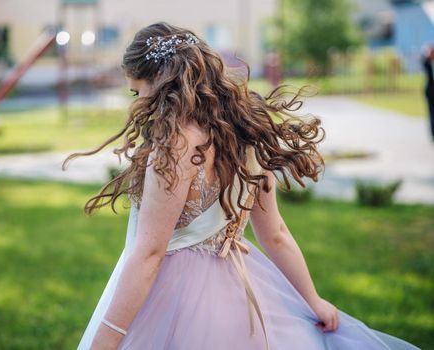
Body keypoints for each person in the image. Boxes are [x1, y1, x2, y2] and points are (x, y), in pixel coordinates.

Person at [64, 22, 422, 350]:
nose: (138, 102)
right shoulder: (244, 132)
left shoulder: (173, 145)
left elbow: (150, 253)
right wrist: (311, 299)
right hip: (241, 290)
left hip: (173, 300)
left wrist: (106, 340)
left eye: (135, 91)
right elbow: (276, 233)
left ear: (158, 81)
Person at [422, 44, 434, 140]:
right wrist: (427, 54)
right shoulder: (427, 62)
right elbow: (423, 61)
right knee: (432, 113)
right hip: (430, 92)